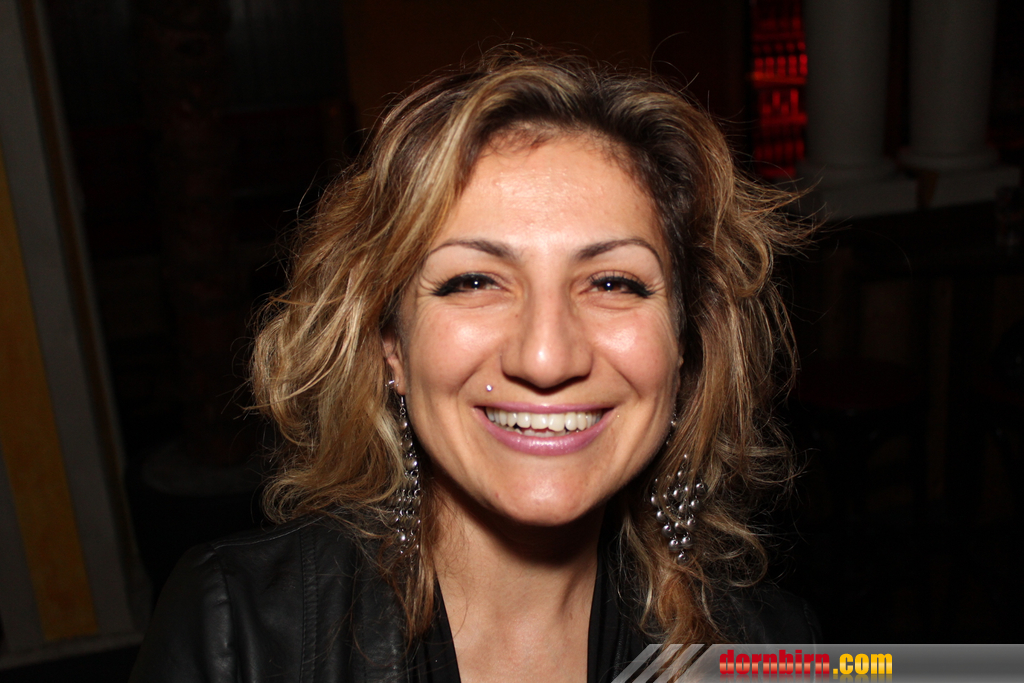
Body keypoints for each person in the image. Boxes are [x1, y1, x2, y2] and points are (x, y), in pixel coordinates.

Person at [130, 47, 818, 683]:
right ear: (390, 345)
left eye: (613, 283)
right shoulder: (239, 634)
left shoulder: (771, 650)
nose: (545, 357)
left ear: (685, 348)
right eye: (474, 281)